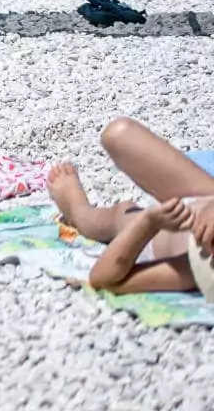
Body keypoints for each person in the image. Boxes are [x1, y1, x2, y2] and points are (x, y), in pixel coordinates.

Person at [48, 117, 214, 295]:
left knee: (115, 216)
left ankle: (77, 211)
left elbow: (104, 279)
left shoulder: (198, 268)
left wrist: (149, 223)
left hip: (156, 231)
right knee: (118, 134)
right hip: (206, 196)